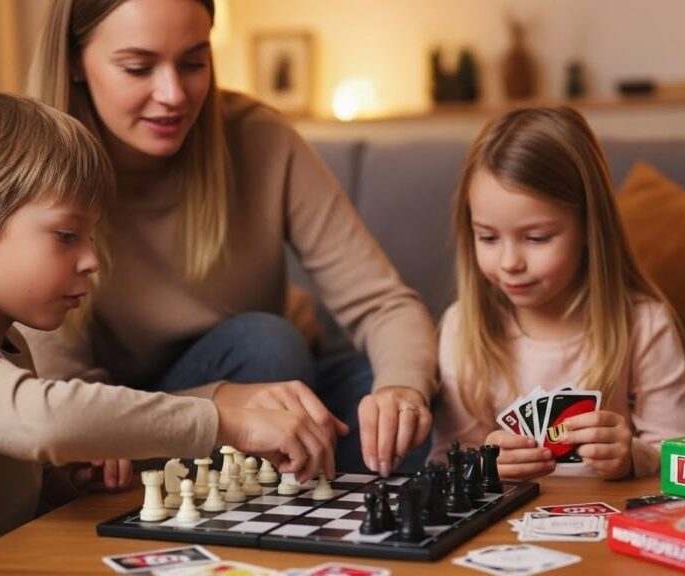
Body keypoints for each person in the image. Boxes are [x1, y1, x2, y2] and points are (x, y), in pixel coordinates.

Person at [0, 93, 334, 575]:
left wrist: (64, 482)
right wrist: (229, 422)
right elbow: (45, 419)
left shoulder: (5, 342)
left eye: (91, 238)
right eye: (67, 235)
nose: (91, 260)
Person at [25, 0, 437, 479]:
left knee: (422, 419)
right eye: (138, 67)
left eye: (194, 62)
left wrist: (402, 393)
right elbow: (58, 394)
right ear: (75, 60)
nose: (173, 94)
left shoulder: (260, 138)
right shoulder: (31, 173)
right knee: (267, 346)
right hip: (130, 416)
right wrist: (222, 404)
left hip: (274, 390)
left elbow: (383, 304)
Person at [430, 106, 685, 480]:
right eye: (488, 237)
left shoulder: (644, 323)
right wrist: (485, 464)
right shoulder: (463, 328)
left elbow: (684, 458)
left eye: (536, 238)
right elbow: (446, 462)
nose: (510, 262)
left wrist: (634, 455)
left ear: (589, 228)